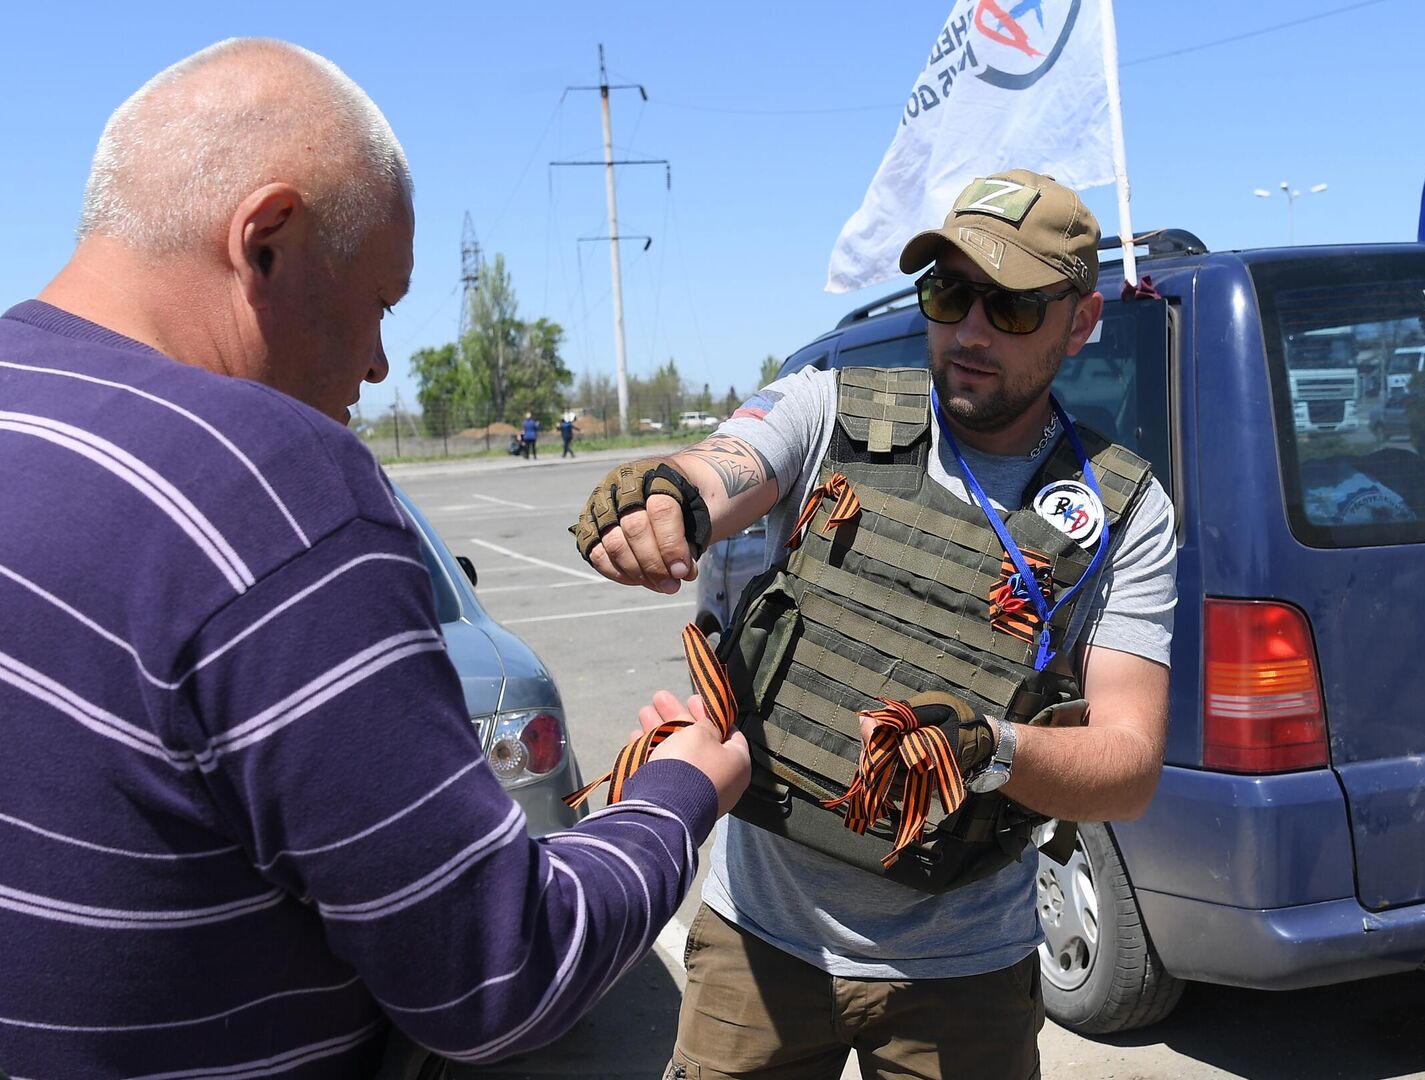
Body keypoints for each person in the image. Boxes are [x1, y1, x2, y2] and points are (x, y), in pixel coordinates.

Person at [0, 39, 749, 1078]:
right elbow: (496, 976)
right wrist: (674, 797)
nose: (379, 363)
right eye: (382, 302)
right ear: (265, 241)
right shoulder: (270, 487)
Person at [571, 169, 1177, 1079]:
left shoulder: (1123, 509)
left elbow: (1128, 766)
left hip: (965, 977)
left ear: (1080, 322)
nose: (969, 330)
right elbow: (727, 462)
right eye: (948, 292)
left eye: (1010, 307)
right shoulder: (829, 409)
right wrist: (670, 500)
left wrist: (991, 750)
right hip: (759, 952)